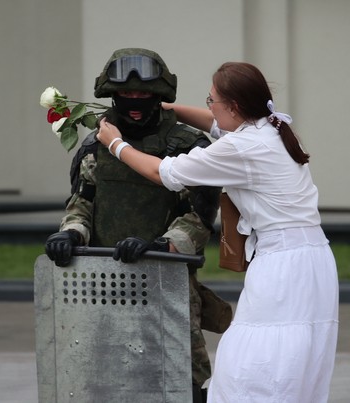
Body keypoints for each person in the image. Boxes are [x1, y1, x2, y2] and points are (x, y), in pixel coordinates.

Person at [96, 61, 340, 402]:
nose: (208, 105)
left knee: (256, 364)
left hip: (283, 267)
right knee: (295, 361)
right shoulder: (269, 127)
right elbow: (215, 123)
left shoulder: (241, 149)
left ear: (235, 107)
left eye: (211, 99)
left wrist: (116, 144)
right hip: (312, 260)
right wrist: (168, 108)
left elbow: (164, 172)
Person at [44, 48, 229, 403]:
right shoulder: (94, 147)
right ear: (111, 95)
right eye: (126, 94)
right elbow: (82, 203)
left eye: (143, 95)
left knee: (180, 380)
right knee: (102, 374)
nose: (134, 101)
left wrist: (161, 246)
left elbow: (199, 218)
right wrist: (70, 233)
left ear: (159, 97)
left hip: (168, 282)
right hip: (102, 282)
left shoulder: (188, 146)